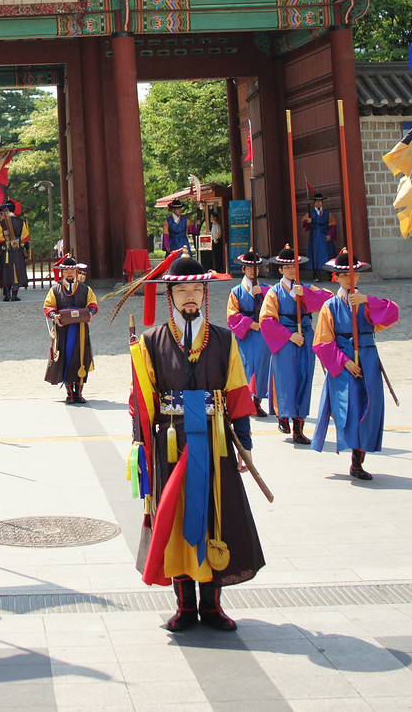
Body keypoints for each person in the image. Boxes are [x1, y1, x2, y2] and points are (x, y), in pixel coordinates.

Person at [129, 254, 264, 631]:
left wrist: (246, 444)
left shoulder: (223, 340)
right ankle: (185, 605)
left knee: (214, 517)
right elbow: (140, 401)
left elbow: (237, 393)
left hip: (215, 441)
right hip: (171, 444)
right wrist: (140, 446)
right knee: (174, 518)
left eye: (196, 290)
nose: (190, 296)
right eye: (182, 289)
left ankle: (212, 604)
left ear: (205, 294)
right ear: (171, 294)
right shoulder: (152, 341)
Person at [311, 249, 400, 481]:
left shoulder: (368, 303)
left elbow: (392, 313)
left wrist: (367, 301)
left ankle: (358, 461)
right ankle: (353, 453)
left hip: (368, 360)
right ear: (337, 277)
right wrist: (345, 362)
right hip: (344, 362)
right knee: (349, 408)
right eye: (344, 275)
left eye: (354, 274)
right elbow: (322, 342)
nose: (350, 279)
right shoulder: (330, 306)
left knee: (368, 407)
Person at [260, 245, 329, 444]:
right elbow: (266, 320)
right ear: (280, 269)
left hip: (305, 337)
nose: (292, 270)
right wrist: (289, 336)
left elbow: (328, 300)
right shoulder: (274, 293)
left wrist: (306, 295)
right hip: (285, 340)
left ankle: (299, 428)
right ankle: (283, 416)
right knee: (286, 380)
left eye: (295, 267)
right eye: (287, 267)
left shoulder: (305, 288)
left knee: (304, 380)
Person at [44, 257, 97, 404]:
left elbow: (92, 303)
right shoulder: (55, 290)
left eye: (72, 270)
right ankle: (69, 393)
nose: (69, 273)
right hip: (63, 329)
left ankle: (78, 392)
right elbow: (48, 306)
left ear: (76, 272)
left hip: (80, 329)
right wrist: (54, 315)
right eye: (66, 270)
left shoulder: (85, 289)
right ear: (62, 273)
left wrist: (91, 312)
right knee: (65, 358)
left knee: (81, 358)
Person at [226, 250, 272, 417]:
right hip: (246, 333)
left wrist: (263, 293)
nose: (253, 271)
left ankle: (257, 401)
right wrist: (249, 323)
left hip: (263, 332)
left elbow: (275, 306)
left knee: (262, 367)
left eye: (256, 268)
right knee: (247, 366)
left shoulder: (267, 289)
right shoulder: (236, 291)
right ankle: (246, 400)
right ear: (244, 270)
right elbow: (232, 316)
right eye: (249, 268)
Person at [0, 201, 30, 302]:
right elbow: (25, 238)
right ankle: (14, 295)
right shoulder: (21, 222)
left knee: (6, 271)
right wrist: (27, 250)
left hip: (6, 251)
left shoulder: (2, 223)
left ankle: (7, 295)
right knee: (17, 271)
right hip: (17, 250)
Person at [303, 193, 337, 283]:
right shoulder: (310, 213)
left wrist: (330, 234)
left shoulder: (327, 213)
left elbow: (333, 224)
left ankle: (330, 275)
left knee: (327, 255)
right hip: (314, 236)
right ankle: (316, 275)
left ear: (322, 203)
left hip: (324, 235)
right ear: (314, 203)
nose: (318, 204)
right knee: (315, 255)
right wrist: (307, 221)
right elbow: (304, 223)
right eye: (316, 202)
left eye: (320, 202)